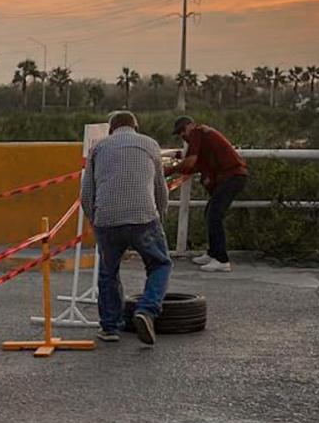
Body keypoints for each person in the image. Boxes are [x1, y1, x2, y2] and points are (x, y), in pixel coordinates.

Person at [82, 111, 172, 345]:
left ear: (111, 129)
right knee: (160, 264)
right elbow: (160, 189)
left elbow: (87, 193)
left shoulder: (98, 148)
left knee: (108, 272)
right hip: (144, 217)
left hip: (107, 219)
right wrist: (160, 217)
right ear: (135, 126)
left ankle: (110, 327)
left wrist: (95, 220)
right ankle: (147, 310)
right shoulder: (150, 145)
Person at [166, 116, 248, 272]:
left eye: (182, 130)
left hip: (231, 176)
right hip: (231, 177)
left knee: (214, 215)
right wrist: (177, 160)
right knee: (210, 212)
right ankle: (213, 253)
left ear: (190, 125)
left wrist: (169, 170)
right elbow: (194, 164)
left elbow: (190, 162)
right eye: (179, 133)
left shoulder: (197, 133)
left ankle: (221, 259)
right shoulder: (203, 136)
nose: (182, 135)